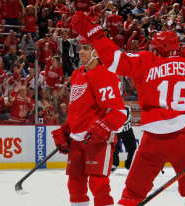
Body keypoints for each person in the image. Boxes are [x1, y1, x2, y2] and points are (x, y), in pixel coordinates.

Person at [71, 5, 185, 206]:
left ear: (155, 48)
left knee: (131, 195)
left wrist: (96, 35)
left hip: (153, 140)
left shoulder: (147, 61)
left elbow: (113, 60)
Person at [50, 37, 127, 206]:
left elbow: (119, 111)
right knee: (75, 184)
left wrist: (102, 128)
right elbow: (76, 107)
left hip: (97, 139)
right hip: (77, 139)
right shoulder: (77, 74)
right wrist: (67, 129)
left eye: (86, 48)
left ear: (96, 52)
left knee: (98, 184)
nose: (81, 51)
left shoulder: (105, 75)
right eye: (80, 48)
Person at [111, 105, 137, 172]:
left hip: (127, 131)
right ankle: (114, 164)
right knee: (114, 148)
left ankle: (129, 164)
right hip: (116, 131)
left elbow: (127, 119)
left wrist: (118, 124)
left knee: (133, 147)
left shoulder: (127, 108)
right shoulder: (113, 108)